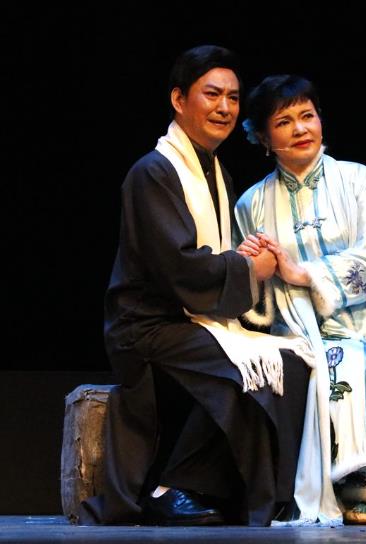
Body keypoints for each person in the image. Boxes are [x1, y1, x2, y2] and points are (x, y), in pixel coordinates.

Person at [79, 47, 312, 527]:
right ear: (179, 99)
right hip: (146, 325)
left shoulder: (216, 172)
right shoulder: (153, 172)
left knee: (287, 359)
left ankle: (236, 491)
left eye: (233, 97)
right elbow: (179, 267)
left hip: (189, 318)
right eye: (212, 94)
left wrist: (243, 257)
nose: (225, 107)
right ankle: (175, 489)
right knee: (248, 372)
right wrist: (248, 269)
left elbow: (207, 257)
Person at [235, 75, 366, 525]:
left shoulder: (357, 180)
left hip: (364, 322)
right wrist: (251, 268)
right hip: (296, 329)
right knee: (330, 371)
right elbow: (252, 301)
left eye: (307, 116)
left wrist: (304, 273)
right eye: (284, 121)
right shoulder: (251, 204)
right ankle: (355, 485)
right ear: (264, 138)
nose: (300, 128)